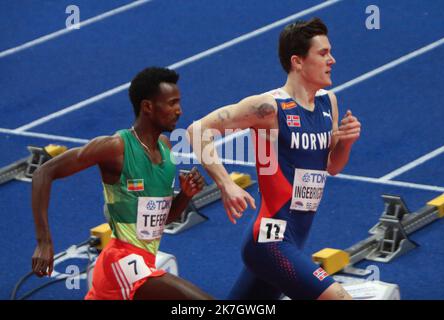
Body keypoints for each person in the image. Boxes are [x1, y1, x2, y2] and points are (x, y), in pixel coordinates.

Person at [187, 18, 361, 300]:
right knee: (337, 298)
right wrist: (225, 184)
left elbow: (332, 167)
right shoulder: (268, 107)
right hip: (270, 242)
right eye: (323, 53)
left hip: (294, 239)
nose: (332, 59)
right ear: (298, 62)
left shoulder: (328, 103)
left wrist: (345, 143)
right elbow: (198, 130)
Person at [31, 67, 213, 300]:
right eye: (172, 103)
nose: (179, 110)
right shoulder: (115, 147)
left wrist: (185, 195)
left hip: (140, 263)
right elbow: (44, 172)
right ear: (147, 107)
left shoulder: (166, 149)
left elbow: (163, 220)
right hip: (122, 262)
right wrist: (43, 241)